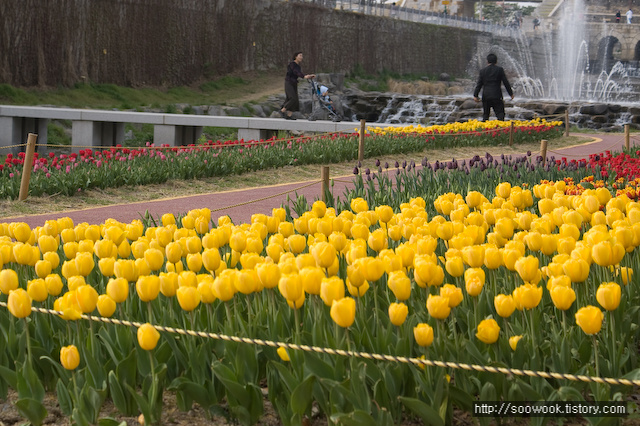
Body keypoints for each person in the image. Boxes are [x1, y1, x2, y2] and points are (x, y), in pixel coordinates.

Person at [473, 53, 514, 122]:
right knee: (500, 114)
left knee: (486, 115)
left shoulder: (482, 71)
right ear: (496, 61)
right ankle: (501, 130)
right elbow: (505, 82)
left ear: (487, 61)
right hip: (497, 96)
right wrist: (511, 94)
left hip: (486, 96)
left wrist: (475, 95)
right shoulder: (499, 70)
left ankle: (484, 131)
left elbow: (479, 84)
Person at [280, 52, 315, 120]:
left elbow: (299, 73)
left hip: (294, 83)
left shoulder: (298, 66)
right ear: (296, 56)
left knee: (295, 100)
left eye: (302, 56)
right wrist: (304, 76)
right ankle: (282, 111)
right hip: (289, 82)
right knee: (292, 98)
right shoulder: (292, 64)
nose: (301, 57)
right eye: (300, 56)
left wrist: (308, 76)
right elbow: (296, 72)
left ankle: (289, 115)